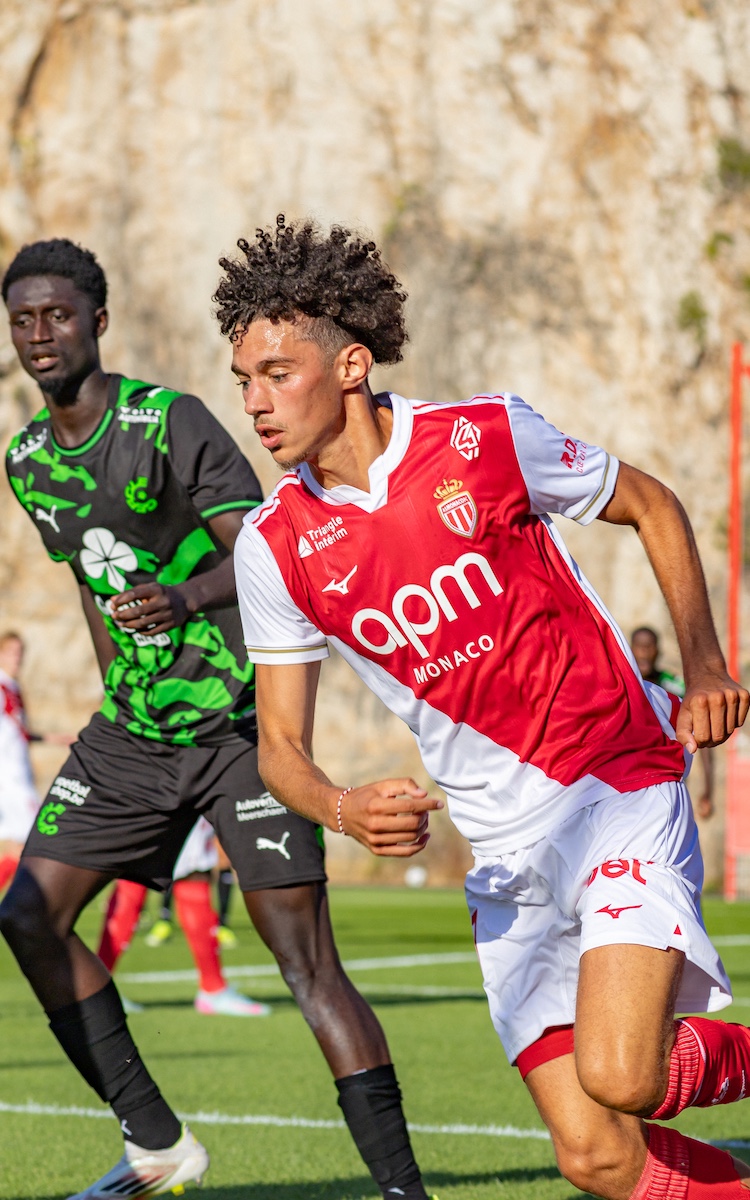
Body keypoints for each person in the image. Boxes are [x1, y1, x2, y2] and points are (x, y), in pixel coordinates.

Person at [215, 214, 750, 1200]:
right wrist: (342, 809)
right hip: (503, 852)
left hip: (613, 784)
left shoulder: (485, 439)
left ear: (351, 365)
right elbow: (279, 747)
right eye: (243, 378)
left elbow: (652, 505)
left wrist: (706, 665)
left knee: (623, 1073)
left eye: (277, 373)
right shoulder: (273, 546)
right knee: (597, 1157)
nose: (254, 401)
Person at [0, 238, 431, 1200]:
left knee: (306, 965)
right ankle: (155, 1144)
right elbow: (92, 588)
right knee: (27, 916)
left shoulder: (167, 422)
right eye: (22, 319)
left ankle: (406, 1191)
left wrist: (184, 601)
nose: (40, 335)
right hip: (132, 736)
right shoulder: (26, 461)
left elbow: (265, 550)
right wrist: (116, 690)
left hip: (241, 727)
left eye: (58, 315)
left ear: (98, 322)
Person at [98, 817, 269, 1015]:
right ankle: (213, 988)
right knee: (177, 875)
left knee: (140, 875)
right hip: (173, 803)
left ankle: (96, 986)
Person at [0, 630, 72, 891]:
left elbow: (15, 732)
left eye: (20, 652)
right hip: (9, 779)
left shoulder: (13, 688)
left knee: (21, 845)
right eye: (11, 652)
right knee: (37, 836)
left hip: (19, 774)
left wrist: (51, 738)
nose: (17, 658)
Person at [631, 626, 715, 819]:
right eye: (639, 646)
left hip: (668, 783)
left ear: (657, 651)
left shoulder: (673, 686)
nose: (644, 651)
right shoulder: (621, 684)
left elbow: (702, 732)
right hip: (630, 784)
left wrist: (708, 790)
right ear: (630, 649)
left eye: (649, 646)